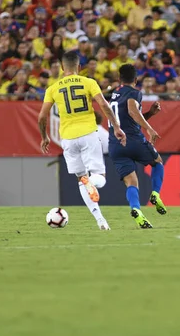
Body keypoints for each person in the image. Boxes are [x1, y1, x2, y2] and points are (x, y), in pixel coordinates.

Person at [39, 51, 126, 231]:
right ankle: (92, 183)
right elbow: (104, 105)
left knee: (81, 179)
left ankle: (101, 221)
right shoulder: (88, 82)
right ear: (79, 67)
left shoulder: (52, 89)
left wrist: (44, 136)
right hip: (88, 133)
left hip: (68, 138)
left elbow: (42, 117)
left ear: (63, 68)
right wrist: (116, 127)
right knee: (99, 178)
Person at [108, 64, 165, 229]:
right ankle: (155, 194)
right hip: (133, 140)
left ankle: (136, 210)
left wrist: (149, 115)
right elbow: (132, 111)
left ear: (119, 79)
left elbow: (129, 117)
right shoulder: (134, 92)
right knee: (157, 162)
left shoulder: (115, 94)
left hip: (116, 144)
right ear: (136, 79)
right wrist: (150, 128)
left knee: (131, 181)